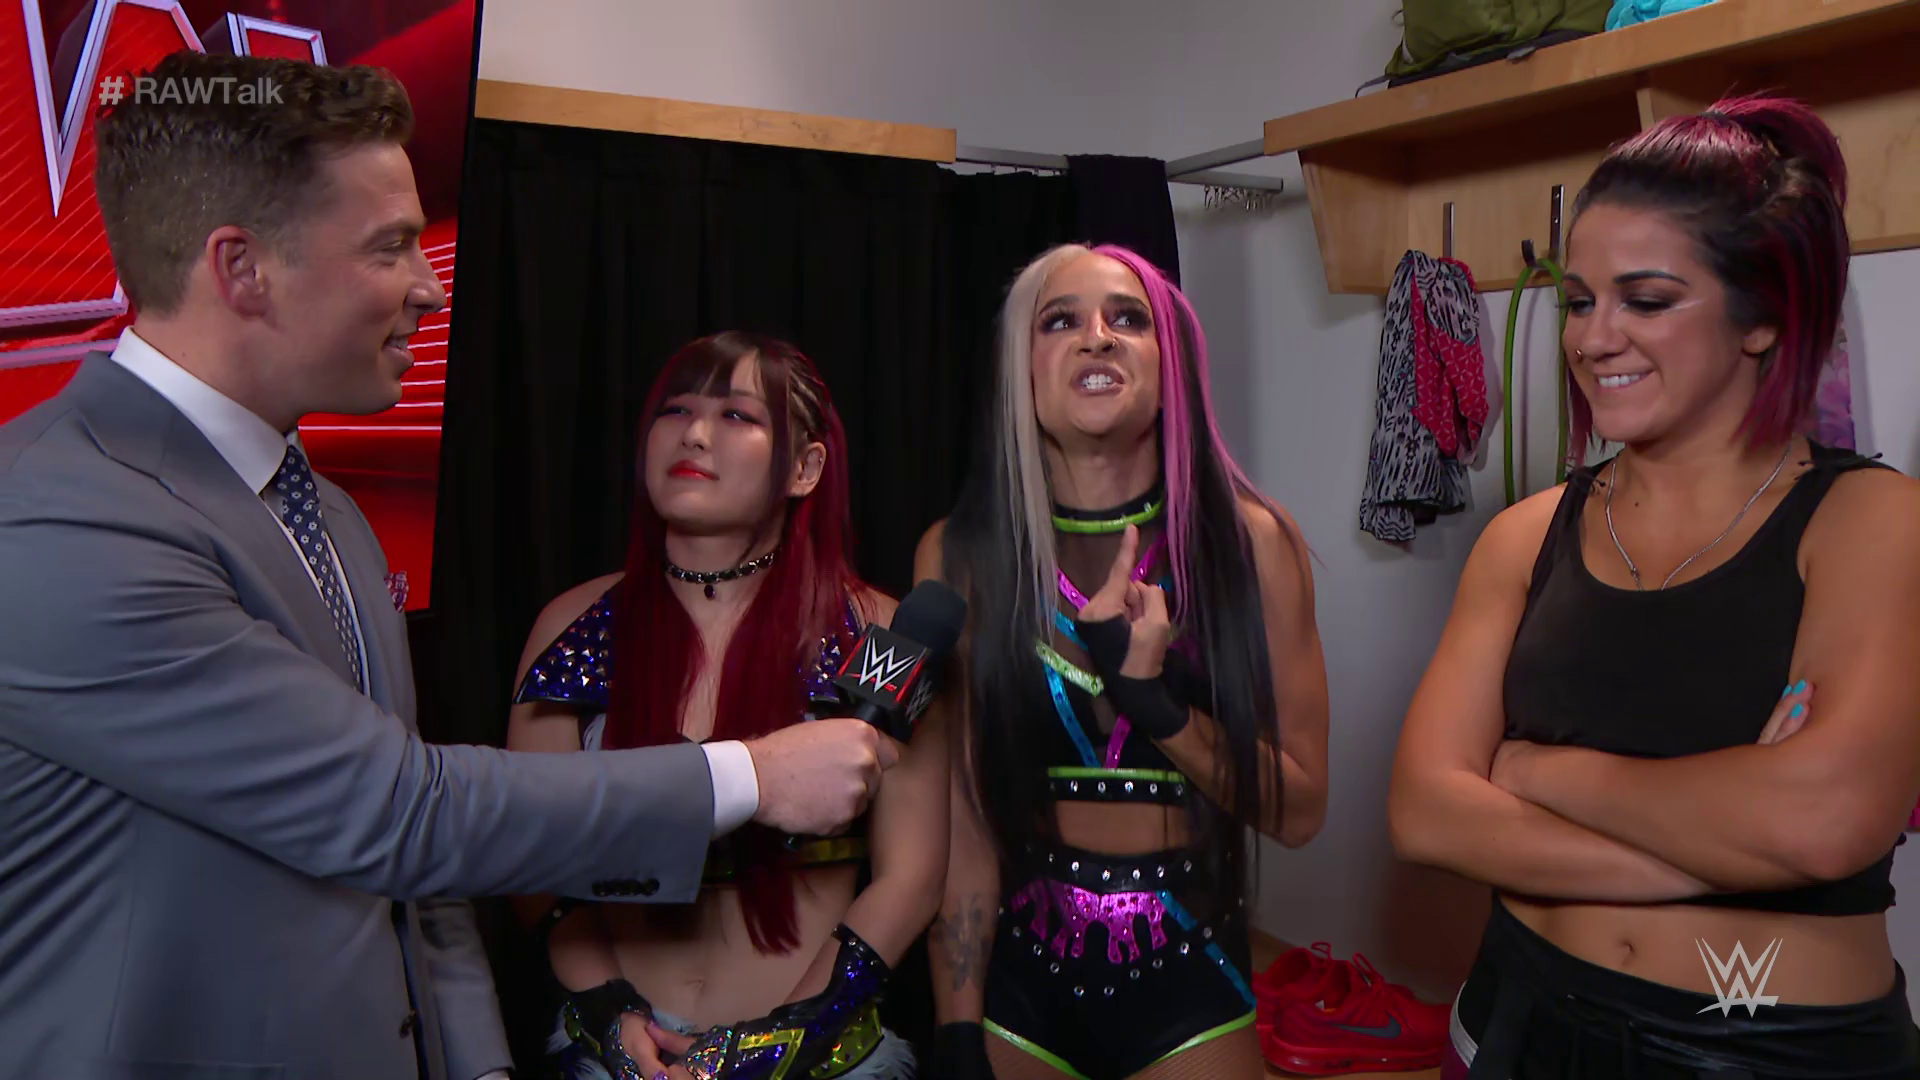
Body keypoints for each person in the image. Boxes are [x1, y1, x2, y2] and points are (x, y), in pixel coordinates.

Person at [0, 50, 894, 1080]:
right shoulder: (62, 515)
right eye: (391, 246)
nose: (430, 286)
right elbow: (401, 810)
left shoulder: (330, 516)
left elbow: (419, 894)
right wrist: (753, 776)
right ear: (242, 268)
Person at [1390, 94, 1920, 1079]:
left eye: (1646, 300)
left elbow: (1824, 821)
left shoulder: (1871, 523)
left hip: (1767, 1047)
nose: (1594, 339)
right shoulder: (1524, 536)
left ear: (1763, 318)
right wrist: (1725, 846)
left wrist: (1538, 772)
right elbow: (1426, 811)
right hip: (1516, 1017)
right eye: (1580, 301)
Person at [917, 243, 1331, 1080]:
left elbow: (1299, 812)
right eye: (1060, 320)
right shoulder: (961, 555)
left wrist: (1156, 704)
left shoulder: (1249, 541)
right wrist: (958, 1029)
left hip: (1189, 976)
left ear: (1170, 365)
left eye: (1128, 318)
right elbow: (959, 817)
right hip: (1020, 983)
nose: (1097, 336)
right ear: (1020, 369)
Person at [506, 331, 948, 1080]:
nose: (695, 434)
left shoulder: (879, 634)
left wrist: (779, 1043)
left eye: (738, 415)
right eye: (675, 410)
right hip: (622, 1061)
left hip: (818, 1061)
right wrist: (609, 1012)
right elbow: (521, 853)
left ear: (806, 467)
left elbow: (912, 877)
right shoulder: (569, 626)